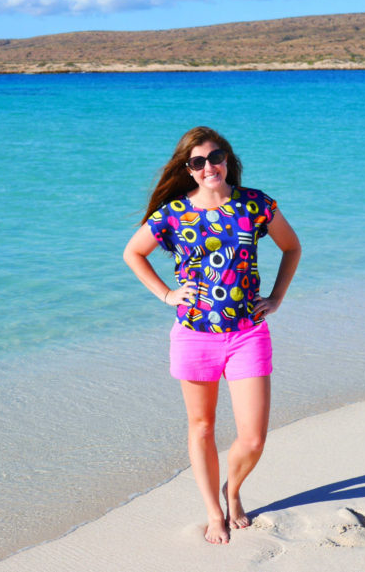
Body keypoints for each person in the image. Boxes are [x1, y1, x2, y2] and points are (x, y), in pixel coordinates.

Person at [123, 126, 301, 545]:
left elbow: (292, 247)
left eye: (215, 157)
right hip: (194, 335)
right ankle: (212, 512)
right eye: (198, 162)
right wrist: (167, 294)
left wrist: (276, 297)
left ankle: (232, 490)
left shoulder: (255, 204)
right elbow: (133, 253)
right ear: (188, 169)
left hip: (247, 334)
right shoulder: (172, 214)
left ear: (228, 159)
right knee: (201, 427)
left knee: (253, 438)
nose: (209, 167)